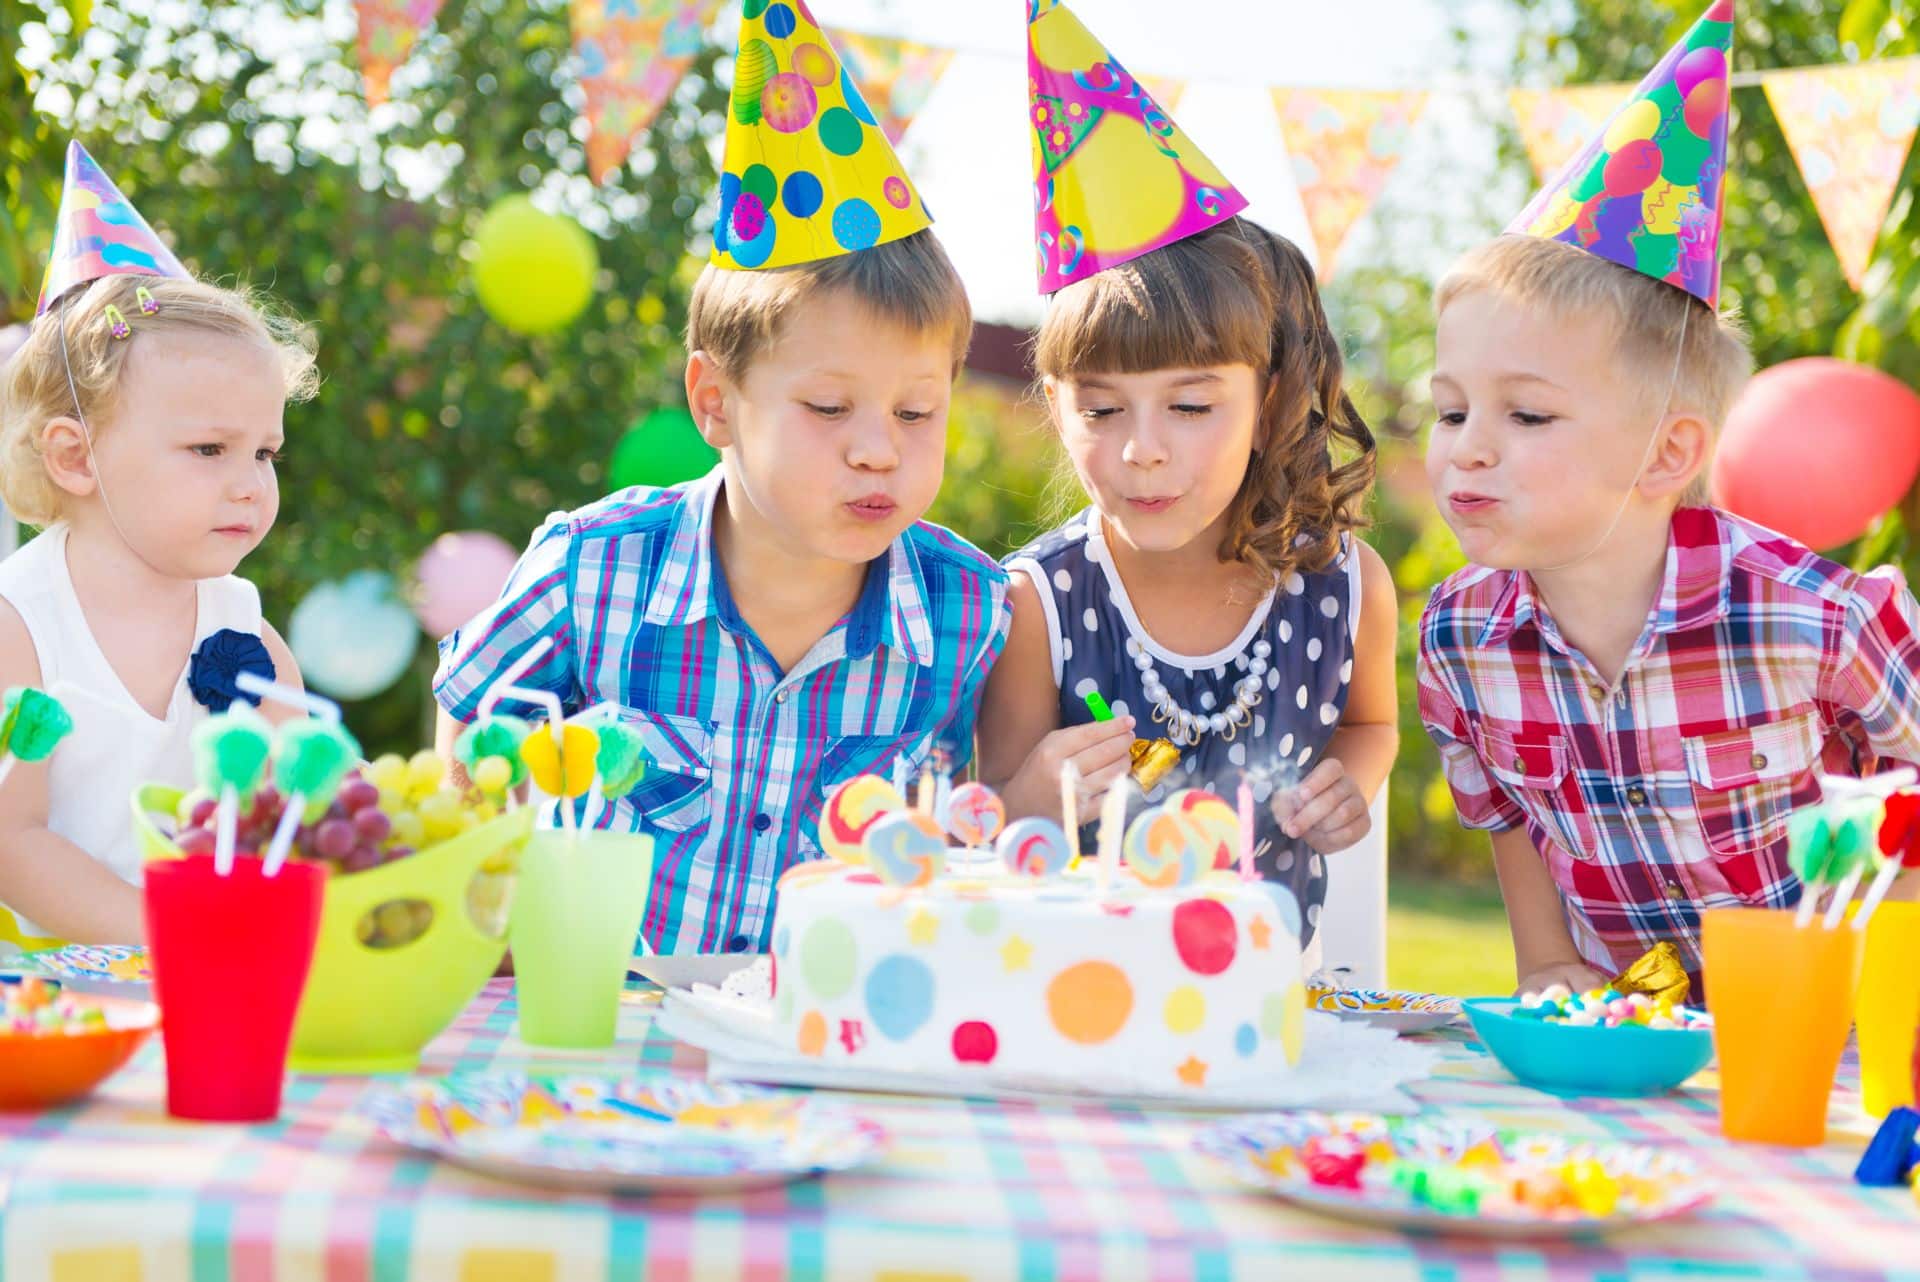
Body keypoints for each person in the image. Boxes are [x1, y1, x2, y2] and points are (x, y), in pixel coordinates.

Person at [434, 4, 1008, 955]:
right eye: (830, 410)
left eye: (917, 413)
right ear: (715, 402)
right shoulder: (590, 569)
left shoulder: (973, 613)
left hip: (827, 1040)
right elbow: (466, 742)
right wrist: (484, 910)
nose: (880, 451)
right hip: (602, 1031)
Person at [1417, 0, 1920, 993]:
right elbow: (1503, 813)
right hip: (1633, 1038)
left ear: (1665, 454)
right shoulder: (1460, 637)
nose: (1467, 450)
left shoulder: (1815, 617)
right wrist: (1548, 961)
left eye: (1526, 418)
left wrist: (1881, 994)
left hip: (1834, 1040)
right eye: (1449, 410)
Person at [980, 0, 1399, 965]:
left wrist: (1350, 777)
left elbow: (1368, 722)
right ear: (1054, 404)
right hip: (1070, 1004)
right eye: (1103, 408)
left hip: (1267, 1017)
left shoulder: (1343, 591)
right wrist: (1030, 793)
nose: (1144, 451)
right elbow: (997, 816)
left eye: (1192, 406)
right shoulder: (1038, 604)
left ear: (1271, 396)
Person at [0, 143, 314, 951]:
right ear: (76, 457)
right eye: (211, 450)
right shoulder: (22, 626)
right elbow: (14, 842)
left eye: (264, 452)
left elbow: (305, 812)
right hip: (42, 991)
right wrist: (171, 928)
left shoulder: (242, 628)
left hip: (207, 968)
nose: (250, 483)